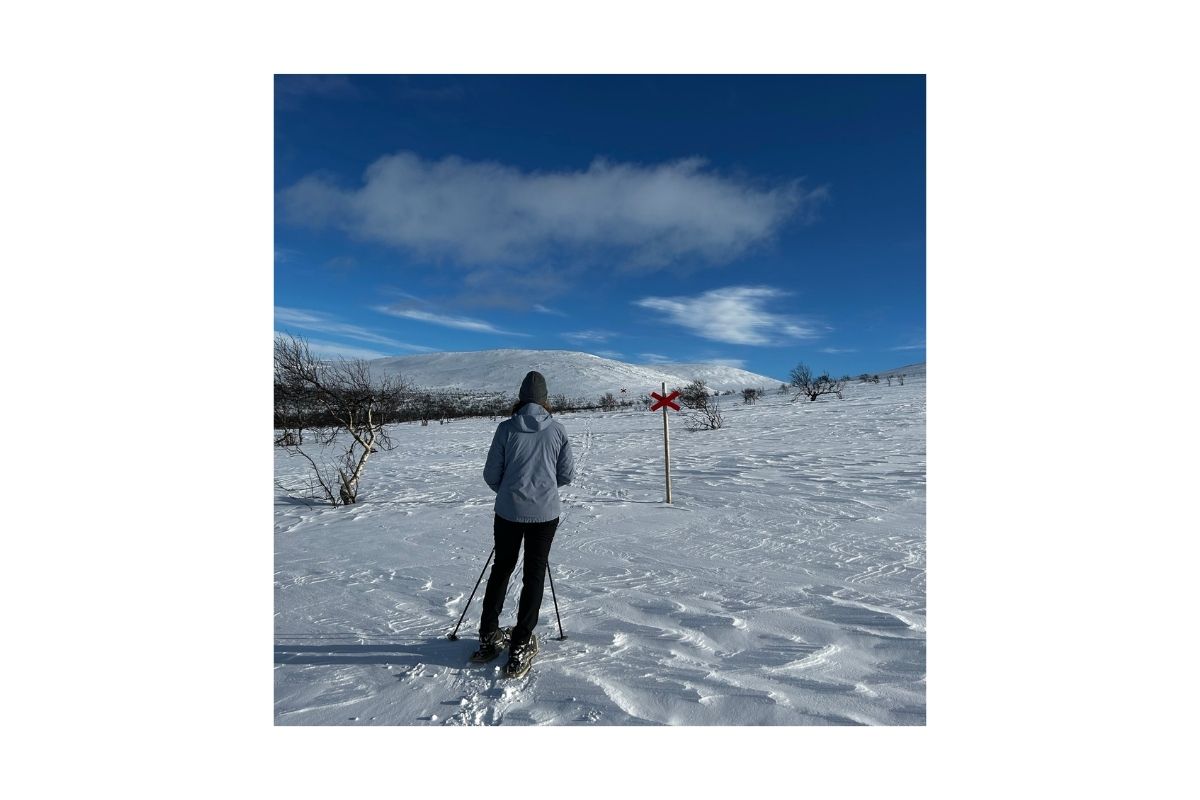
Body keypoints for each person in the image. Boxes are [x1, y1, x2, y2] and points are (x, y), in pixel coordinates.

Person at [474, 370, 575, 677]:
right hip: (545, 514)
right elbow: (566, 475)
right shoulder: (557, 430)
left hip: (507, 512)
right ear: (545, 400)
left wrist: (510, 493)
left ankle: (489, 635)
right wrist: (542, 488)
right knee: (534, 573)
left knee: (502, 568)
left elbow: (492, 474)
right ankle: (521, 642)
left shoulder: (505, 429)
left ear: (520, 398)